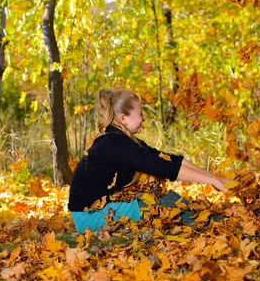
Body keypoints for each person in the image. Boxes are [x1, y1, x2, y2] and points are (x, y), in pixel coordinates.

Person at [68, 88, 230, 232]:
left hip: (100, 210)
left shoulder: (120, 139)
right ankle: (219, 224)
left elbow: (166, 159)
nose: (144, 118)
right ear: (123, 118)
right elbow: (163, 168)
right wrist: (211, 180)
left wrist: (213, 177)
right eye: (140, 114)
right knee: (162, 204)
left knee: (169, 199)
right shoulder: (115, 143)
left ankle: (213, 220)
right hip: (90, 217)